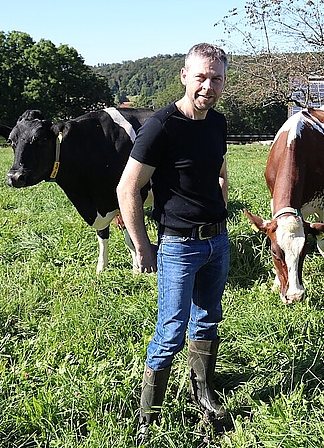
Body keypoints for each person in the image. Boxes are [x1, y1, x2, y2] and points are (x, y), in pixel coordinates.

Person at [116, 43, 230, 443]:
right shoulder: (161, 126)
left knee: (208, 319)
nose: (208, 85)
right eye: (201, 76)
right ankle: (150, 416)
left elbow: (219, 168)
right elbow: (128, 188)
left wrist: (222, 206)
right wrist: (142, 246)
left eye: (216, 78)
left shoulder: (217, 123)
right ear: (184, 76)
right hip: (179, 245)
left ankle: (204, 393)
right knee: (171, 330)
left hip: (217, 241)